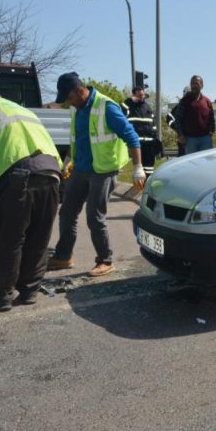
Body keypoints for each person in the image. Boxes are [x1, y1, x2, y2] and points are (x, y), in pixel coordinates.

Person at [0, 89, 62, 311]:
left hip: (17, 177)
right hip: (51, 174)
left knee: (8, 240)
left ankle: (2, 297)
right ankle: (29, 292)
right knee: (38, 237)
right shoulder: (21, 109)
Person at [47, 72, 145, 277]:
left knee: (94, 216)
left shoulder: (106, 107)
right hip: (81, 169)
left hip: (103, 170)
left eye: (70, 98)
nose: (69, 103)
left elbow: (132, 137)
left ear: (79, 90)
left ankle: (105, 260)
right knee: (67, 213)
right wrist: (66, 162)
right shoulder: (77, 109)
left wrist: (137, 168)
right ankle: (63, 256)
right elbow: (76, 139)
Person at [122, 86, 159, 177]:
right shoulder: (129, 105)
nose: (141, 97)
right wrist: (129, 101)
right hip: (137, 144)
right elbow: (121, 111)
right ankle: (139, 189)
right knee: (139, 171)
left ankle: (147, 187)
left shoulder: (147, 107)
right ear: (134, 95)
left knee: (149, 169)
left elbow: (153, 124)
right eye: (139, 95)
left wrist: (155, 139)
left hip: (149, 144)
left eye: (143, 95)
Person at [176, 76, 215, 154]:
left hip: (205, 139)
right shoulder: (184, 101)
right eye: (192, 83)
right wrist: (180, 135)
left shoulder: (207, 101)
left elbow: (211, 118)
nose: (194, 85)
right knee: (192, 164)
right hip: (190, 139)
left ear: (202, 85)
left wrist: (212, 130)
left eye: (196, 83)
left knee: (206, 164)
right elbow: (178, 119)